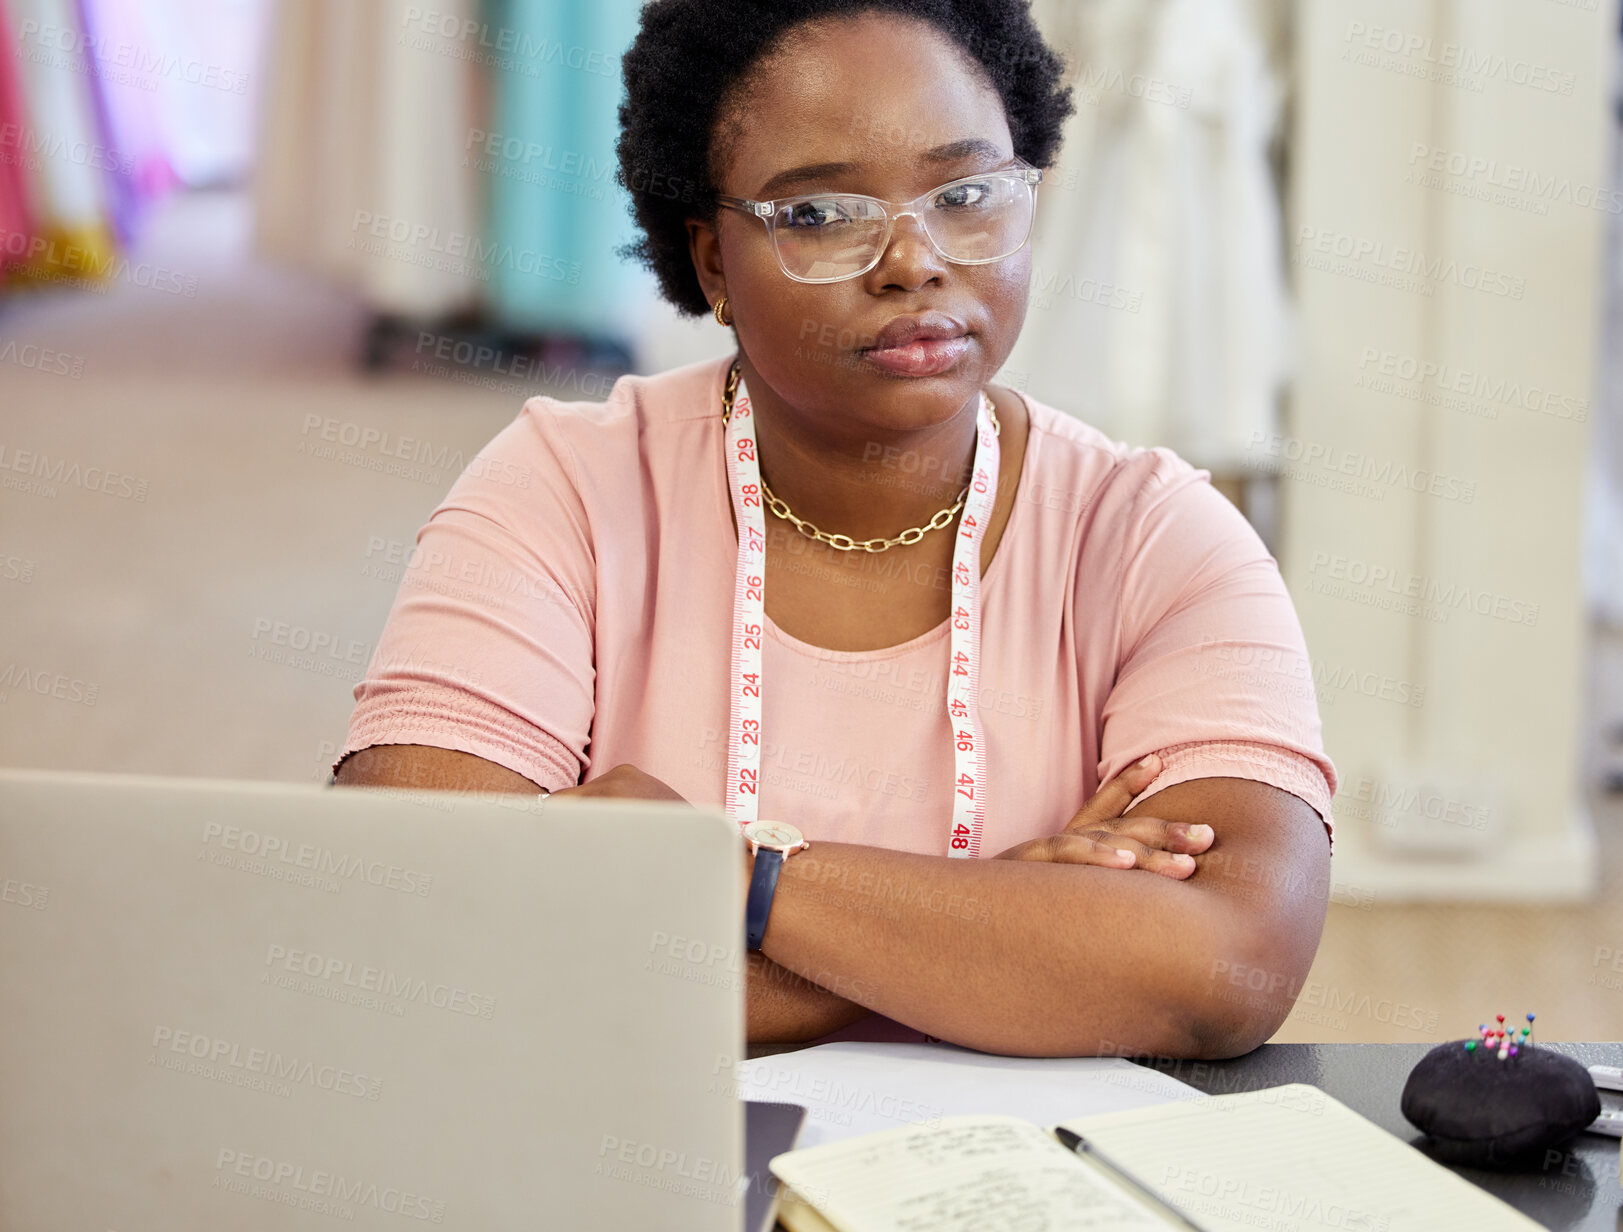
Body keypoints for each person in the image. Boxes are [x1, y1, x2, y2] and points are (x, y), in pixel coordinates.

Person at [334, 0, 1337, 1060]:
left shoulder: (1159, 542)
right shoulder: (563, 490)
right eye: (820, 215)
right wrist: (1009, 929)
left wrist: (736, 877)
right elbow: (421, 936)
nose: (913, 261)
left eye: (966, 196)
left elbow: (1228, 965)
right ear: (712, 262)